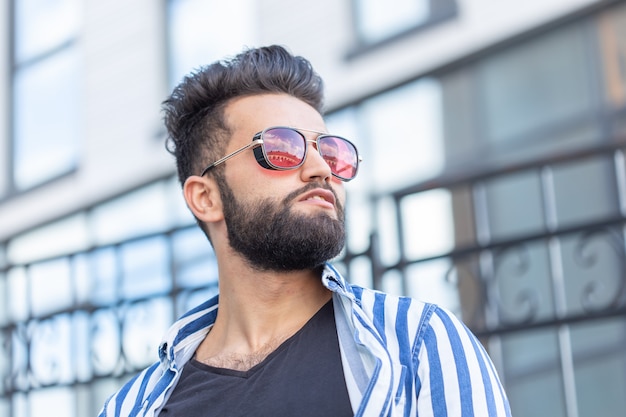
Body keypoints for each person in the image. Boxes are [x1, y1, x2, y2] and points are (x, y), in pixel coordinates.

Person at [99, 45, 511, 417]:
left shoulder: (419, 346)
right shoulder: (134, 407)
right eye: (282, 148)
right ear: (206, 197)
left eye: (331, 151)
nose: (321, 168)